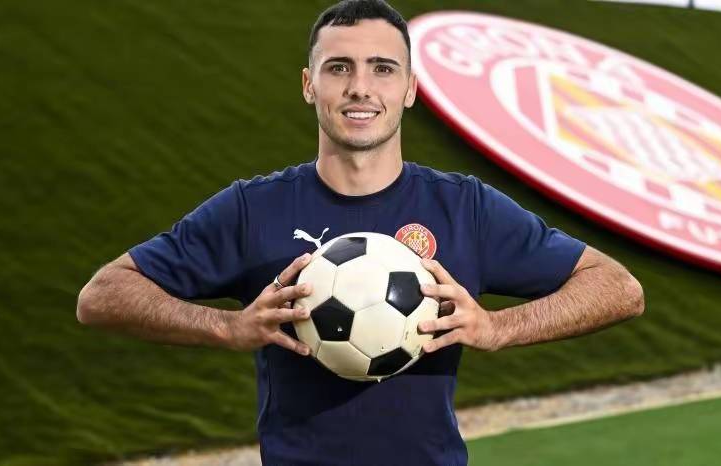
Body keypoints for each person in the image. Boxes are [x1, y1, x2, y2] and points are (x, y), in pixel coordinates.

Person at [75, 1, 645, 464]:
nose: (360, 87)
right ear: (309, 84)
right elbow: (102, 295)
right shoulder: (253, 209)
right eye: (339, 68)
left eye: (382, 68)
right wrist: (227, 327)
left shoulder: (464, 207)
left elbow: (618, 287)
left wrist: (498, 327)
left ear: (410, 88)